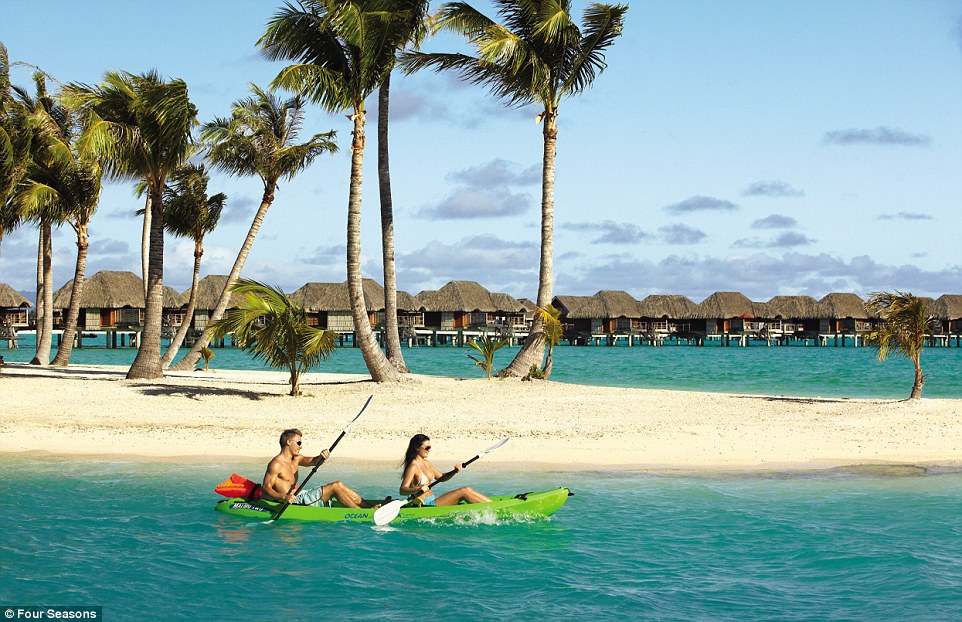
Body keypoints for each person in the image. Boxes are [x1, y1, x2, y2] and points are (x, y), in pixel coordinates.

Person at [262, 428, 379, 508]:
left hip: (303, 494)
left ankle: (369, 506)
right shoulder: (276, 464)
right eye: (298, 443)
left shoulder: (296, 458)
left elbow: (313, 461)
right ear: (288, 442)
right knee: (335, 487)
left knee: (339, 485)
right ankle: (359, 513)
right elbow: (266, 488)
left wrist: (321, 456)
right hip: (295, 502)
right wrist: (283, 497)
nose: (301, 446)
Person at [399, 433, 492, 506]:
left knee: (467, 491)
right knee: (465, 491)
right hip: (426, 505)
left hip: (433, 500)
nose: (429, 450)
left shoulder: (426, 463)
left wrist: (454, 471)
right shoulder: (413, 466)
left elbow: (441, 477)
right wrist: (419, 488)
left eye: (430, 447)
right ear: (417, 448)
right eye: (427, 447)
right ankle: (494, 507)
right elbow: (402, 490)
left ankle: (491, 505)